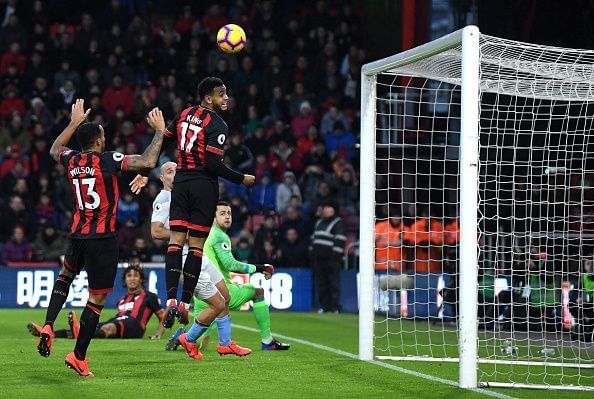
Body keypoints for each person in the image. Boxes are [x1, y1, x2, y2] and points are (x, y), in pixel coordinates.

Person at [35, 99, 166, 377]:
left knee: (64, 278)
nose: (106, 140)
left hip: (77, 235)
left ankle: (48, 324)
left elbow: (54, 149)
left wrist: (73, 122)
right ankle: (78, 356)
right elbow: (149, 161)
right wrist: (159, 131)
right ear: (97, 141)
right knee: (95, 300)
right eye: (103, 137)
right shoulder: (108, 160)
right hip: (102, 239)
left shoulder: (72, 159)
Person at [130, 77, 255, 329]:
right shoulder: (218, 124)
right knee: (196, 248)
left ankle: (173, 300)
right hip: (203, 187)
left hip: (181, 185)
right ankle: (185, 302)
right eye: (222, 94)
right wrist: (241, 179)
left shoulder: (184, 114)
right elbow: (213, 164)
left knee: (176, 244)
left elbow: (162, 142)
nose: (226, 98)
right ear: (209, 98)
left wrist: (145, 170)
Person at [151, 164, 251, 359]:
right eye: (169, 172)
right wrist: (188, 236)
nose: (175, 174)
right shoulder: (164, 199)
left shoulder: (181, 194)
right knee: (217, 304)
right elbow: (156, 231)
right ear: (162, 178)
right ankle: (192, 339)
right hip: (183, 260)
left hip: (199, 256)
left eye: (176, 171)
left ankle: (223, 343)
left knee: (226, 298)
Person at [187, 201, 289, 351]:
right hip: (221, 291)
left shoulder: (205, 234)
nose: (227, 216)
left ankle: (180, 337)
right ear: (213, 217)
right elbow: (230, 264)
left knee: (201, 344)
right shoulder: (220, 236)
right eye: (222, 213)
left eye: (229, 213)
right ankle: (267, 341)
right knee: (258, 292)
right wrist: (260, 268)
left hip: (201, 291)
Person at [28, 263, 167, 340]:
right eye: (129, 276)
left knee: (108, 328)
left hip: (135, 325)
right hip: (117, 320)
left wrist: (158, 333)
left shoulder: (150, 296)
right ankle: (49, 334)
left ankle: (75, 333)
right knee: (89, 327)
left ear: (141, 279)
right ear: (124, 279)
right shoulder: (122, 300)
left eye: (135, 276)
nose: (132, 279)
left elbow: (164, 317)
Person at [310, 201, 345, 313]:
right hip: (318, 259)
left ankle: (334, 307)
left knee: (333, 283)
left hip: (331, 259)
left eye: (329, 207)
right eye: (325, 208)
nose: (326, 210)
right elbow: (314, 239)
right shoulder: (319, 222)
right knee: (321, 283)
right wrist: (312, 253)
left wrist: (334, 257)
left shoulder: (338, 222)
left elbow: (340, 240)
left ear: (333, 210)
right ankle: (324, 306)